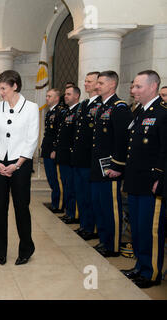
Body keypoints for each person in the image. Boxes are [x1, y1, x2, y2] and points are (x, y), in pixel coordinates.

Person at [0, 70, 39, 265]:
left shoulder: (31, 108)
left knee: (21, 207)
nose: (1, 92)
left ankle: (26, 248)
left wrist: (17, 164)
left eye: (3, 88)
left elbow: (32, 139)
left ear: (15, 85)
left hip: (21, 164)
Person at [122, 70, 167, 289]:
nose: (133, 91)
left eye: (138, 87)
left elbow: (165, 150)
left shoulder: (163, 112)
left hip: (152, 182)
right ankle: (140, 266)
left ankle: (151, 273)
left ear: (153, 86)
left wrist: (160, 176)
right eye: (133, 86)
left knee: (151, 229)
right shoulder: (140, 111)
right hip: (135, 180)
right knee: (138, 228)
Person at [90, 71, 133, 257]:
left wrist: (116, 166)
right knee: (100, 205)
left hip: (110, 168)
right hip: (98, 166)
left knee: (111, 208)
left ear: (112, 85)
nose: (97, 86)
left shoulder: (119, 107)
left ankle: (113, 245)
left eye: (100, 83)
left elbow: (122, 140)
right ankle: (104, 240)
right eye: (97, 83)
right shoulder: (102, 106)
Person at [71, 72, 101, 240]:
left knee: (90, 197)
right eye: (86, 81)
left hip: (90, 160)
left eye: (89, 81)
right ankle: (85, 225)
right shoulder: (83, 105)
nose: (86, 84)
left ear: (98, 84)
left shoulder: (100, 105)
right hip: (79, 158)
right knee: (81, 195)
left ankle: (92, 228)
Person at [53, 86, 81, 224]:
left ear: (77, 96)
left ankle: (74, 214)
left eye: (69, 94)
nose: (66, 96)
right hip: (63, 155)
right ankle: (69, 212)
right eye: (65, 94)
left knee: (72, 187)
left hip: (71, 156)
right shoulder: (67, 112)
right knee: (67, 186)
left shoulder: (78, 111)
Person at [40, 88, 64, 213]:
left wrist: (55, 149)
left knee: (56, 179)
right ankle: (55, 202)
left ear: (56, 98)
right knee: (50, 178)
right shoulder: (50, 112)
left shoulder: (60, 112)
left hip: (53, 151)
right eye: (47, 96)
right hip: (47, 149)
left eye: (49, 96)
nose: (47, 98)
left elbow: (59, 133)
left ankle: (59, 204)